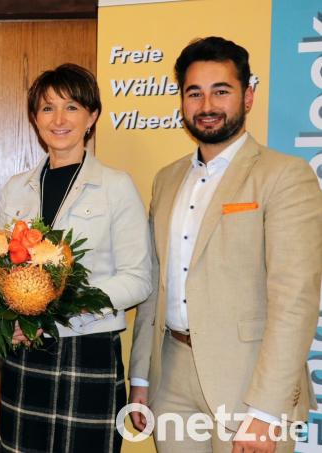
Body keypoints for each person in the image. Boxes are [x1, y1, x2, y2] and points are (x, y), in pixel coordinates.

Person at [129, 36, 322, 452]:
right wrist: (141, 377)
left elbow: (295, 300)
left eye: (221, 91)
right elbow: (154, 283)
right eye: (194, 93)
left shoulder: (284, 176)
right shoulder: (166, 179)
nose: (207, 105)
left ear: (247, 96)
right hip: (171, 377)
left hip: (248, 381)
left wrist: (266, 411)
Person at [0, 63, 152, 453]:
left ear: (91, 116)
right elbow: (0, 273)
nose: (59, 119)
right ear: (35, 119)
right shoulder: (16, 189)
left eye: (71, 107)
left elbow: (138, 280)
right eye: (47, 108)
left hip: (89, 350)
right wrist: (13, 317)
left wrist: (64, 305)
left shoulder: (116, 186)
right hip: (26, 350)